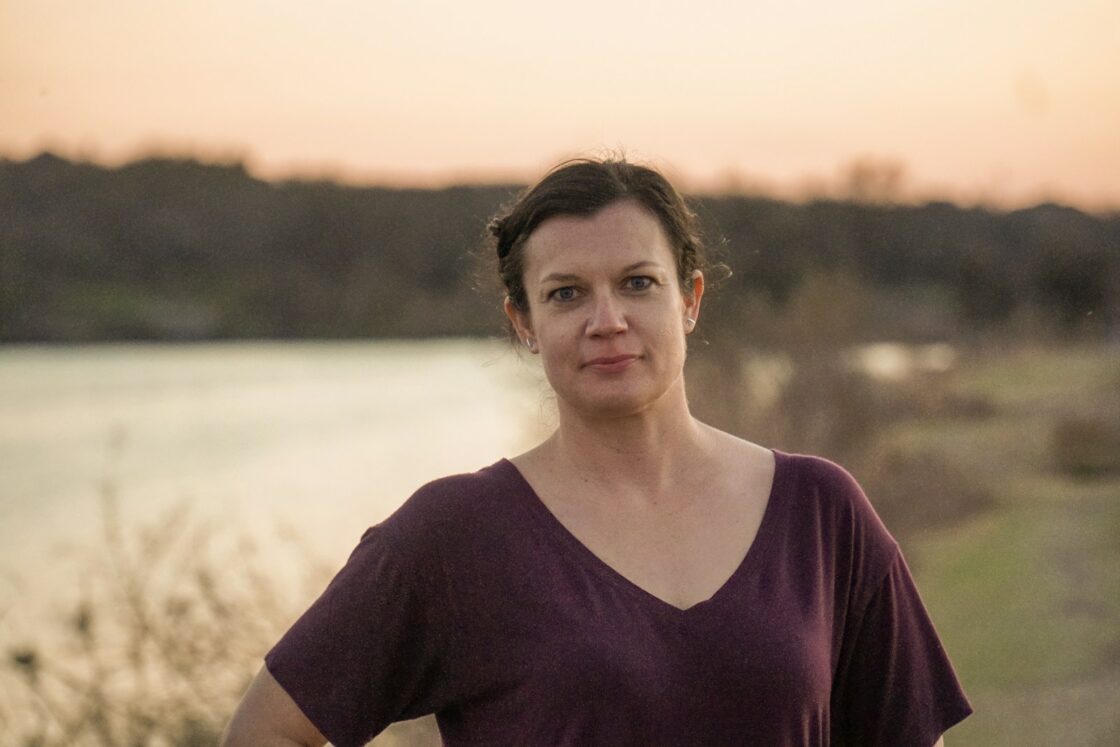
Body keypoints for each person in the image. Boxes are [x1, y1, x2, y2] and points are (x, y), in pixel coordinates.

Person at [221, 158, 971, 746]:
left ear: (691, 299)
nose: (607, 320)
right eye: (566, 294)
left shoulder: (820, 511)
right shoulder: (457, 535)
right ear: (523, 321)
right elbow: (269, 731)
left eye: (638, 283)